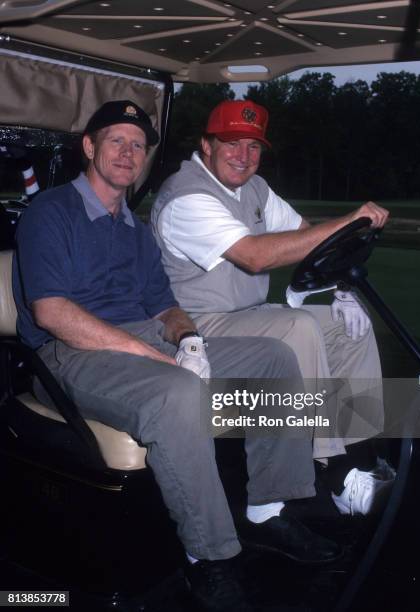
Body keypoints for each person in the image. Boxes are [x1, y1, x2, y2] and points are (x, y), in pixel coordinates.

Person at [12, 100, 342, 612]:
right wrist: (151, 353)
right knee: (179, 390)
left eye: (137, 145)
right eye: (116, 140)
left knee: (274, 357)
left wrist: (187, 340)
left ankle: (268, 509)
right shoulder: (51, 212)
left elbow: (165, 306)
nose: (127, 152)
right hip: (67, 354)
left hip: (140, 338)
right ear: (89, 146)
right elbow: (53, 313)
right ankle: (207, 557)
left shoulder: (134, 229)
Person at [151, 99, 391, 515]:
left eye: (254, 147)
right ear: (206, 145)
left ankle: (358, 457)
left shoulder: (254, 189)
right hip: (195, 327)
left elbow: (303, 234)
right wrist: (351, 219)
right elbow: (254, 256)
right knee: (297, 327)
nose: (244, 157)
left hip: (246, 316)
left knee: (349, 325)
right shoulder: (185, 195)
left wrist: (338, 285)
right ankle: (331, 471)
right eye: (231, 143)